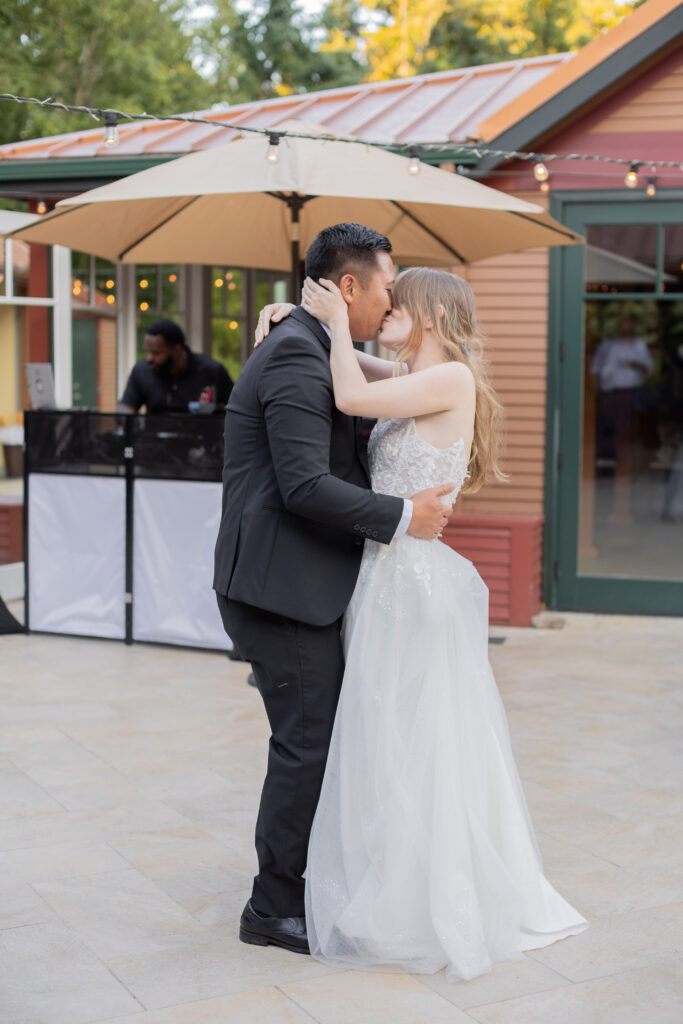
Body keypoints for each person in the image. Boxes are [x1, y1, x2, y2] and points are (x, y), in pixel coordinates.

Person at [261, 267, 588, 982]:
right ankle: (387, 872)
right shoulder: (416, 374)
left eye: (395, 306)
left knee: (413, 736)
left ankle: (422, 894)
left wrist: (331, 324)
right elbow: (356, 368)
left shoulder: (451, 379)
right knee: (383, 734)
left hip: (409, 585)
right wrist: (299, 316)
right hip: (381, 580)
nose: (382, 314)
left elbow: (350, 394)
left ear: (430, 315)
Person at [212, 223, 454, 955]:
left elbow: (371, 392)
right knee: (306, 744)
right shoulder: (295, 354)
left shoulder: (315, 343)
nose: (391, 300)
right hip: (281, 588)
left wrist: (302, 315)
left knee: (318, 739)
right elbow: (302, 485)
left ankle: (306, 883)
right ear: (349, 287)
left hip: (305, 579)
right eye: (386, 286)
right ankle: (272, 907)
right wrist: (404, 516)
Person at [117, 318, 233, 413]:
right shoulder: (142, 370)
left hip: (200, 434)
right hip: (154, 434)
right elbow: (126, 407)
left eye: (156, 353)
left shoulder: (212, 371)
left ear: (177, 349)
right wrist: (125, 418)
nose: (149, 358)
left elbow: (235, 408)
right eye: (148, 352)